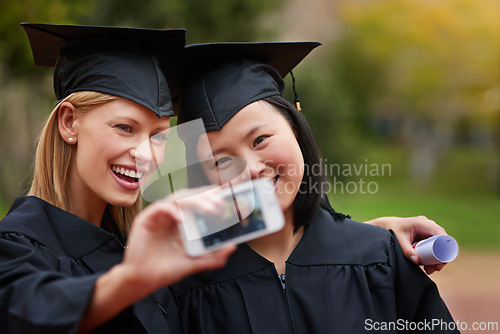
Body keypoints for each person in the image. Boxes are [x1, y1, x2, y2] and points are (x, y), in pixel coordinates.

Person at [169, 42, 459, 333]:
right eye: (221, 161)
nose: (252, 169)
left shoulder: (379, 259)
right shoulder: (183, 286)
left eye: (260, 140)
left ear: (295, 128)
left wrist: (366, 242)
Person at [0, 23, 235, 334]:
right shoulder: (15, 248)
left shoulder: (133, 246)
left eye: (159, 137)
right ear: (70, 122)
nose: (147, 155)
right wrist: (131, 279)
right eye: (125, 128)